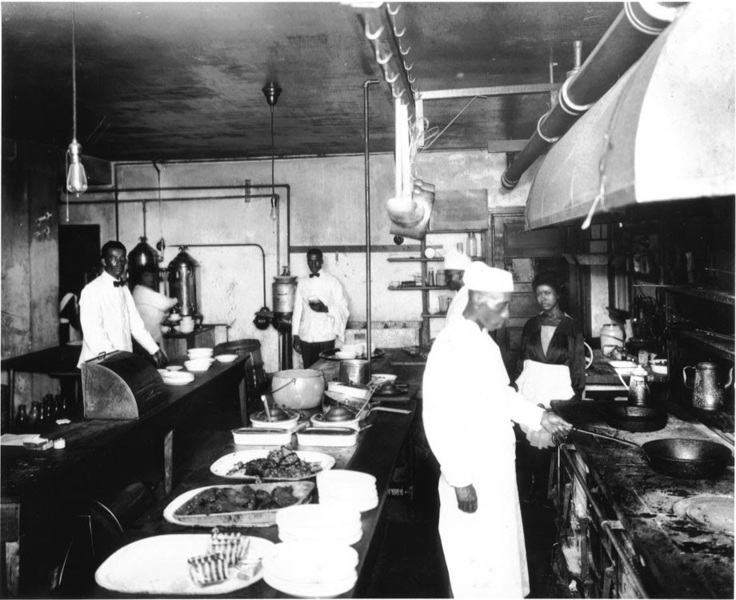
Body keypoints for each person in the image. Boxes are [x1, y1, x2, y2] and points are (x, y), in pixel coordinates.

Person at [422, 261, 571, 598]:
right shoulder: (451, 346)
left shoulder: (482, 343)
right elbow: (437, 417)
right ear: (480, 301)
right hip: (473, 473)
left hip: (494, 470)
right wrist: (460, 480)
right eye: (503, 306)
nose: (506, 316)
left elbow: (499, 395)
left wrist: (538, 417)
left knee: (498, 565)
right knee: (476, 567)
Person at [514, 271, 586, 502]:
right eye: (539, 294)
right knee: (527, 445)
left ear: (557, 295)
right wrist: (519, 390)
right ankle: (528, 495)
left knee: (553, 447)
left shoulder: (570, 327)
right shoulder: (531, 324)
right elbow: (521, 361)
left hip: (558, 390)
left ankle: (550, 496)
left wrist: (574, 400)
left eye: (547, 293)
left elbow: (577, 366)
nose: (543, 298)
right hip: (532, 387)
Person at [78, 241, 166, 368]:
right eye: (114, 258)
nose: (119, 263)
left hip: (123, 361)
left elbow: (136, 326)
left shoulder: (124, 290)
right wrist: (114, 360)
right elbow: (94, 333)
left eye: (122, 259)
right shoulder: (91, 290)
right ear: (104, 262)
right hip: (99, 364)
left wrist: (154, 350)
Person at [292, 248, 349, 368]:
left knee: (325, 371)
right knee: (309, 372)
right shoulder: (302, 282)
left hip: (326, 336)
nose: (313, 265)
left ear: (322, 261)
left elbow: (343, 307)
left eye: (316, 261)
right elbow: (297, 309)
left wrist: (325, 309)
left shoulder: (333, 282)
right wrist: (295, 335)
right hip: (306, 336)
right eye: (310, 261)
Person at [132, 265, 178, 350]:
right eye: (146, 275)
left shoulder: (139, 290)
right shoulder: (142, 291)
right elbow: (166, 303)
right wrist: (177, 297)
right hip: (149, 337)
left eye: (152, 275)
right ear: (140, 277)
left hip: (152, 334)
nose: (151, 278)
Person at [442, 250, 472, 323]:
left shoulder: (466, 299)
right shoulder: (461, 295)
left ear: (461, 274)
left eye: (449, 276)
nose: (445, 280)